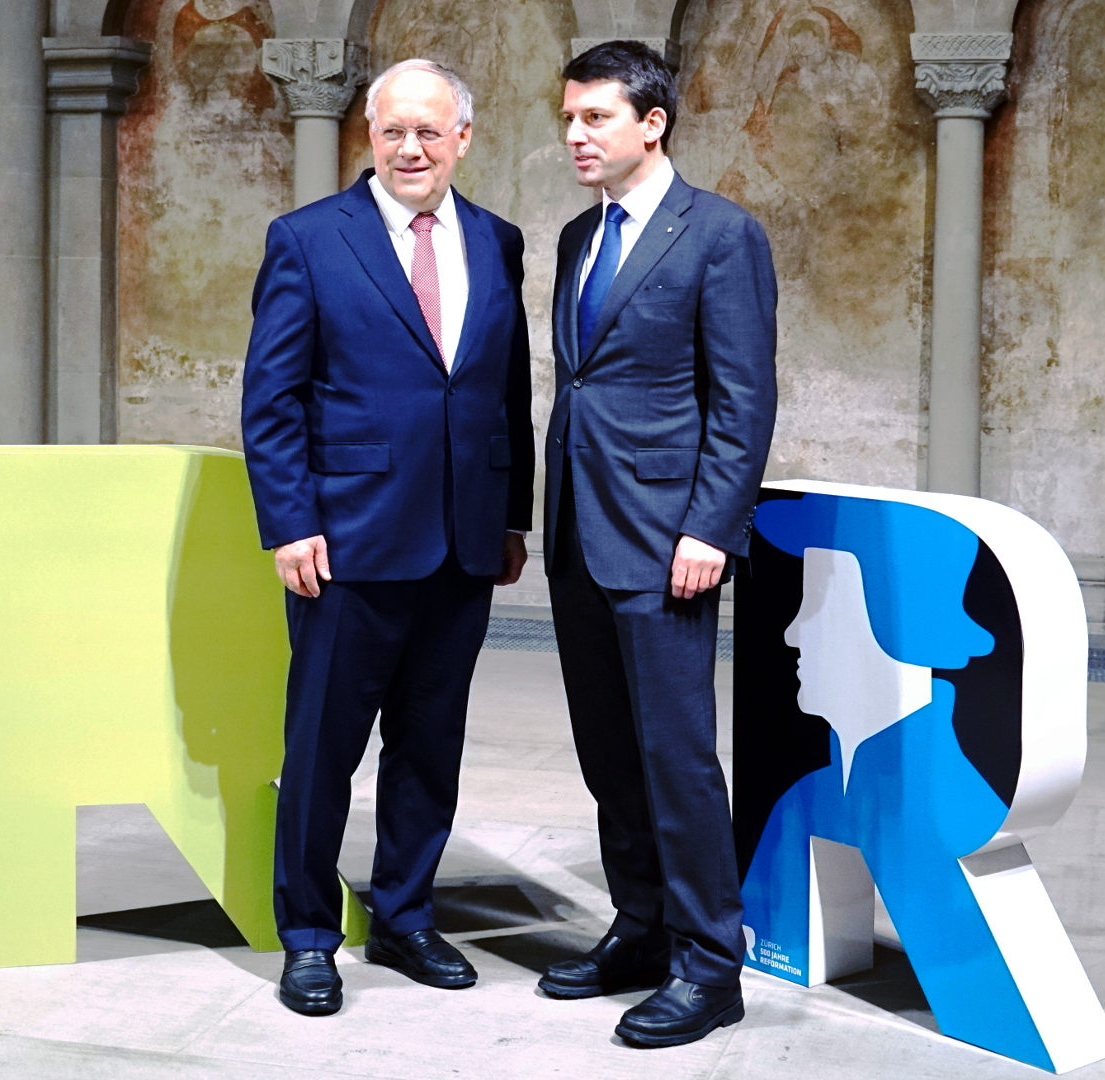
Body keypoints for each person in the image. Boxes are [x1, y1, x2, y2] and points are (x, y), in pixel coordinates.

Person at [240, 57, 533, 1018]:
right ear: (370, 134)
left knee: (428, 745)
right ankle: (310, 936)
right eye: (393, 130)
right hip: (347, 542)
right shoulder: (308, 240)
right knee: (324, 747)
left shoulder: (498, 241)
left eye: (430, 131)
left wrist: (512, 515)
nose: (411, 148)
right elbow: (272, 398)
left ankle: (406, 915)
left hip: (461, 541)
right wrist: (290, 522)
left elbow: (508, 393)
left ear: (463, 139)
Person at [540, 40, 777, 1048]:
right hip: (578, 533)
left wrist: (708, 528)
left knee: (676, 759)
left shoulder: (721, 235)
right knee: (609, 754)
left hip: (667, 540)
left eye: (595, 117)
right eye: (569, 118)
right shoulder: (573, 239)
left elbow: (744, 397)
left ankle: (709, 966)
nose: (575, 136)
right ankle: (639, 929)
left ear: (653, 122)